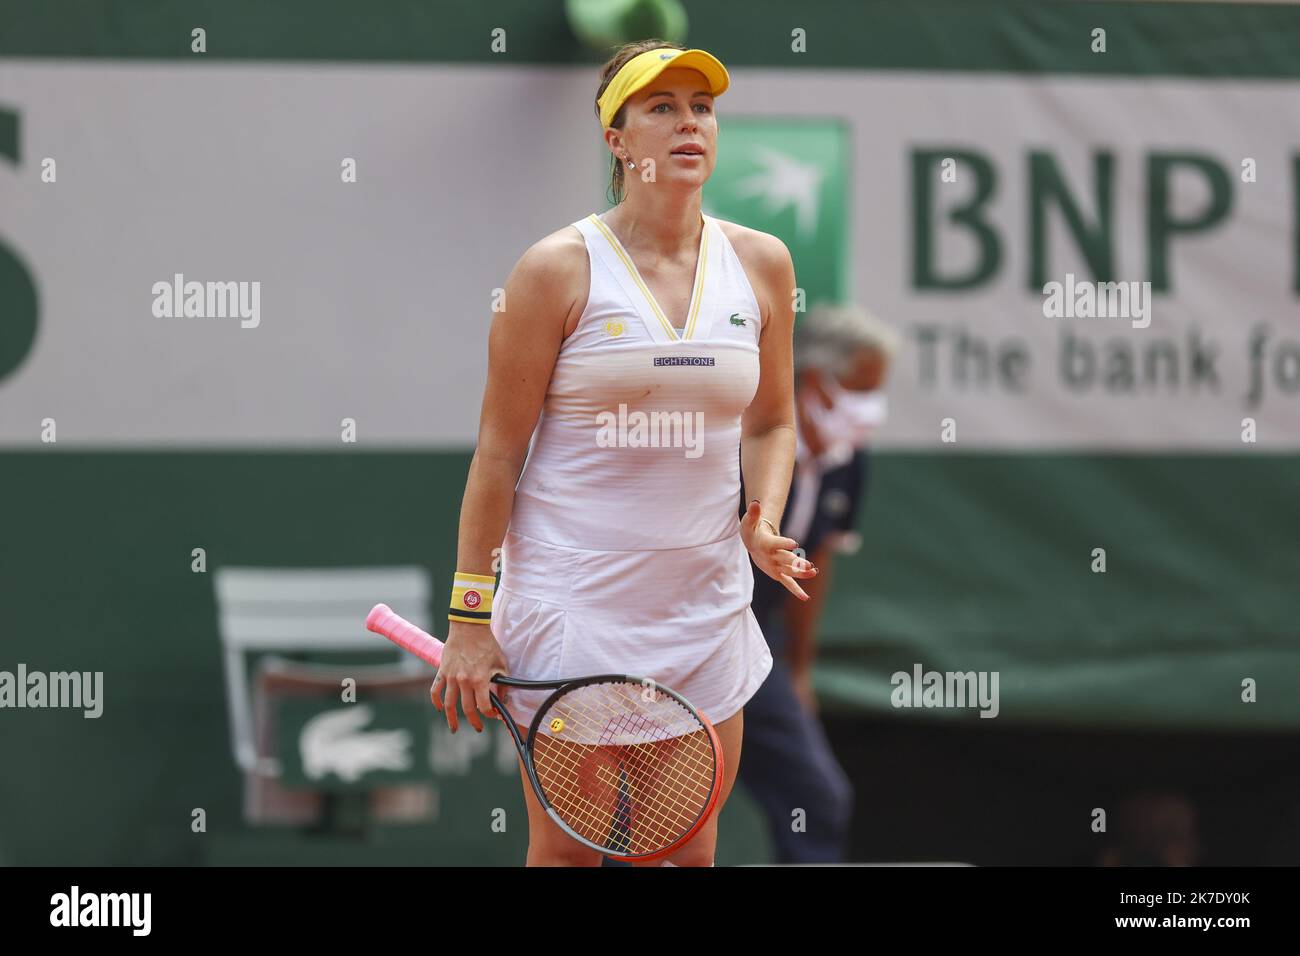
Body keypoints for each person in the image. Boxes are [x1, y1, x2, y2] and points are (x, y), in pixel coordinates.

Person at [429, 39, 817, 867]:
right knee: (570, 857)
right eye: (662, 109)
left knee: (682, 856)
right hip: (575, 609)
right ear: (618, 140)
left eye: (702, 108)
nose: (689, 125)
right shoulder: (555, 270)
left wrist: (763, 517)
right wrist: (469, 616)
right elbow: (498, 454)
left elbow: (773, 423)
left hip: (703, 609)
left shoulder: (763, 264)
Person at [737, 302, 898, 863]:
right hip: (689, 626)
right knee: (650, 807)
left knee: (817, 796)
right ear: (812, 378)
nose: (868, 411)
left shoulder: (850, 460)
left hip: (761, 639)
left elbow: (817, 561)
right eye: (859, 390)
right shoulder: (738, 446)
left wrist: (800, 670)